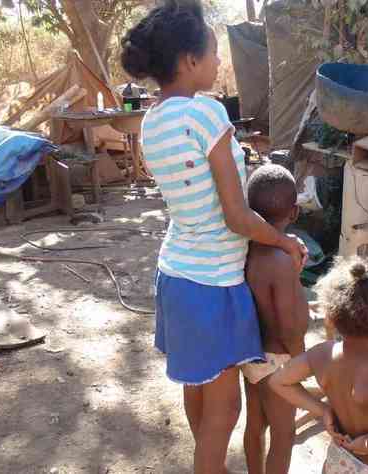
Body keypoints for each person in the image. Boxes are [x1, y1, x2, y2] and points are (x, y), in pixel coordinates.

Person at [120, 2, 307, 473]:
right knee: (226, 412)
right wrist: (285, 243)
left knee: (199, 391)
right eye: (213, 53)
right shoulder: (206, 113)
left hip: (176, 276)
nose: (220, 62)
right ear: (189, 61)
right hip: (212, 284)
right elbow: (238, 217)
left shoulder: (151, 121)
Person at [269, 258, 368, 474]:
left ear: (332, 318)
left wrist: (322, 409)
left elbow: (278, 381)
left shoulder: (323, 353)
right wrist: (361, 446)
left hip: (339, 459)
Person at [242, 165, 310, 474]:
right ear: (294, 212)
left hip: (252, 354)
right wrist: (301, 359)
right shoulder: (282, 261)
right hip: (279, 359)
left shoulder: (246, 250)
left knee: (255, 424)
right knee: (284, 434)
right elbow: (287, 325)